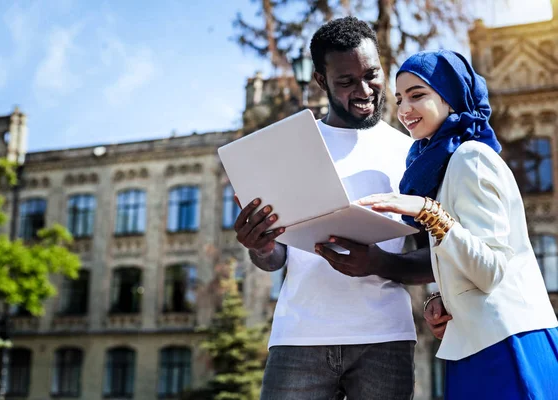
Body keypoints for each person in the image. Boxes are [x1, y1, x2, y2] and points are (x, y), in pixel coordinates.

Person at [234, 16, 433, 400]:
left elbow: (436, 257)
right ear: (321, 81)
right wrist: (259, 246)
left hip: (384, 340)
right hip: (298, 339)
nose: (365, 90)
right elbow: (276, 260)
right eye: (346, 81)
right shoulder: (289, 149)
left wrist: (379, 263)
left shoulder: (411, 152)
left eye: (372, 74)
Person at [358, 50, 558, 399]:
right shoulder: (443, 163)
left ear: (451, 97)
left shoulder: (470, 157)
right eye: (400, 98)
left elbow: (491, 268)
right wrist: (440, 294)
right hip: (478, 342)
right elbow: (467, 256)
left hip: (505, 344)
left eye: (418, 95)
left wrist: (429, 212)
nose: (404, 109)